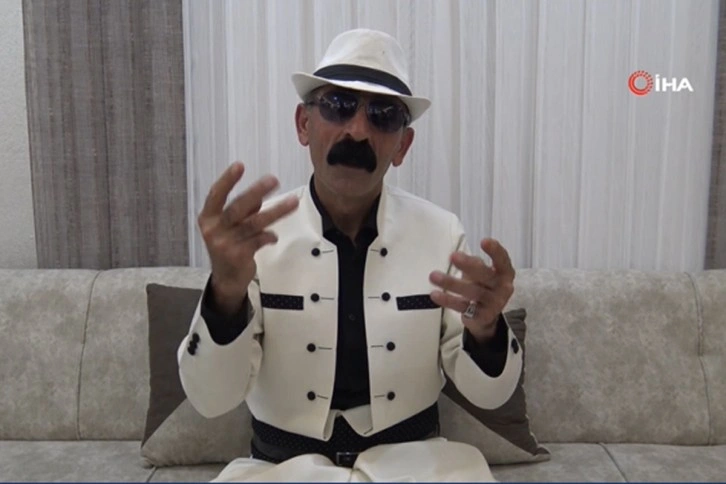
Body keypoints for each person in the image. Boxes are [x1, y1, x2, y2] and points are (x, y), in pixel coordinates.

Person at [178, 28, 523, 482]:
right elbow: (210, 399)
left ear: (402, 145)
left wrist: (486, 331)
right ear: (304, 125)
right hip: (281, 470)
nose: (357, 131)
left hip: (415, 468)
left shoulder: (441, 234)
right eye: (338, 105)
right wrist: (225, 293)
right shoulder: (255, 241)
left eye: (383, 116)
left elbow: (489, 395)